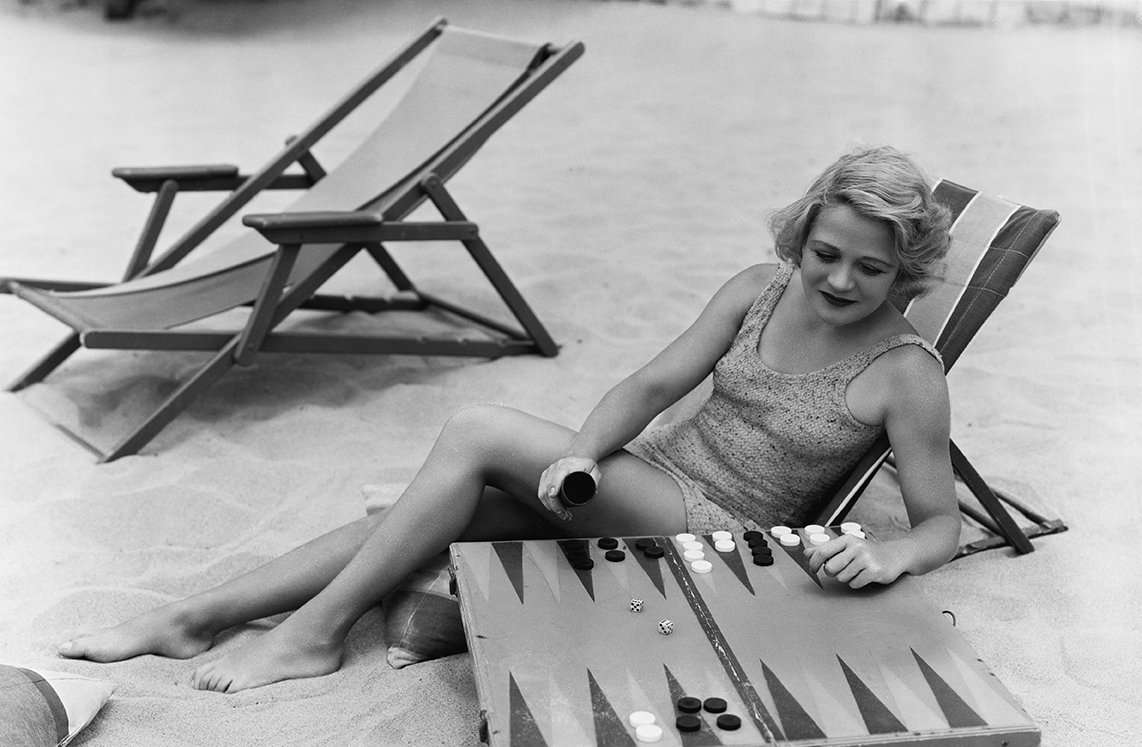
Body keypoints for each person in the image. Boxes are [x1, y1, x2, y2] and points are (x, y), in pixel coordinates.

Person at [59, 146, 961, 693]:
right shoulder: (759, 290)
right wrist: (579, 455)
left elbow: (941, 524)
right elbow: (645, 388)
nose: (839, 281)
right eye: (824, 255)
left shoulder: (904, 373)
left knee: (478, 433)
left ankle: (311, 635)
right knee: (430, 513)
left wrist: (890, 552)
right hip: (645, 480)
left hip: (720, 534)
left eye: (868, 270)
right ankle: (193, 617)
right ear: (799, 238)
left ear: (905, 270)